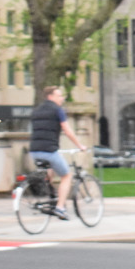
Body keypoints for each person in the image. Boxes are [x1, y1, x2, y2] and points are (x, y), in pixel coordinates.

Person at [28, 85, 86, 220]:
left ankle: (51, 196)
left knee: (49, 172)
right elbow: (67, 130)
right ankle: (60, 208)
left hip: (34, 150)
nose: (62, 98)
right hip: (49, 150)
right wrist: (79, 145)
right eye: (59, 95)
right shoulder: (57, 110)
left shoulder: (36, 111)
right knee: (66, 176)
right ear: (51, 97)